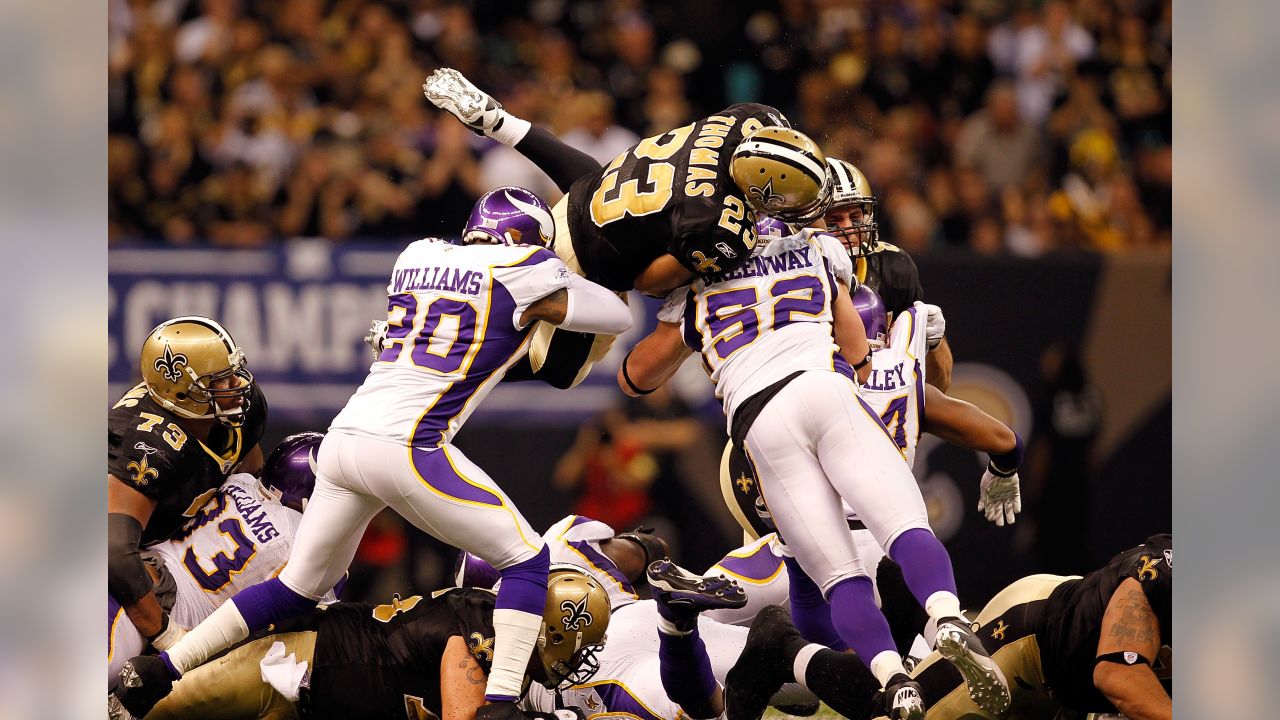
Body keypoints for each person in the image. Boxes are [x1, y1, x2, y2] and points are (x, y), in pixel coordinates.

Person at [113, 187, 634, 720]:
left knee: (295, 588)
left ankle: (165, 668)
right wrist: (560, 273)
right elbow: (616, 316)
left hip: (344, 440)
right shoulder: (523, 266)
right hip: (410, 446)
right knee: (527, 558)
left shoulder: (417, 254)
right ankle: (499, 704)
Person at [620, 224, 1009, 719]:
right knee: (907, 527)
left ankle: (892, 678)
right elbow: (855, 353)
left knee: (836, 579)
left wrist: (680, 315)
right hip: (824, 387)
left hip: (760, 418)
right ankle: (950, 619)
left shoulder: (695, 276)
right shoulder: (817, 248)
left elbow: (637, 377)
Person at [424, 67, 832, 389]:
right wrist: (700, 269)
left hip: (597, 188)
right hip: (587, 254)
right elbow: (650, 282)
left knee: (603, 181)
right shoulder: (724, 228)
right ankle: (437, 354)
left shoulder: (752, 117)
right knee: (559, 371)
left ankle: (501, 123)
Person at [713, 282, 1022, 663]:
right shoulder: (903, 374)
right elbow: (1004, 439)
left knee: (708, 609)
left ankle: (858, 674)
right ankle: (939, 633)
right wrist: (1002, 470)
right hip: (888, 544)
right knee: (927, 643)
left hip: (804, 545)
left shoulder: (792, 376)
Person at [108, 567, 612, 720]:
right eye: (579, 643)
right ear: (554, 632)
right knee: (138, 712)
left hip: (319, 702)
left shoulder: (494, 628)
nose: (579, 659)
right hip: (297, 666)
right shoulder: (486, 634)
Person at [108, 433, 333, 689]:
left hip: (141, 566)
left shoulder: (240, 481)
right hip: (168, 611)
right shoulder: (297, 540)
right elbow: (319, 634)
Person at [109, 317, 267, 661]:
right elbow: (113, 550)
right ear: (181, 392)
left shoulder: (239, 409)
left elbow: (251, 470)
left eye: (233, 371)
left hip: (171, 548)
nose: (236, 384)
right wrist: (168, 637)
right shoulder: (149, 444)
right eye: (219, 380)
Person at [909, 534, 1172, 720]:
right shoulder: (1167, 572)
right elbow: (1117, 675)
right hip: (1029, 641)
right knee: (902, 713)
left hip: (1082, 701)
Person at [822, 157, 953, 391]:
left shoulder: (893, 267)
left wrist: (933, 344)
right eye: (834, 221)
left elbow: (936, 386)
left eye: (855, 217)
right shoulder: (794, 271)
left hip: (880, 395)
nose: (849, 230)